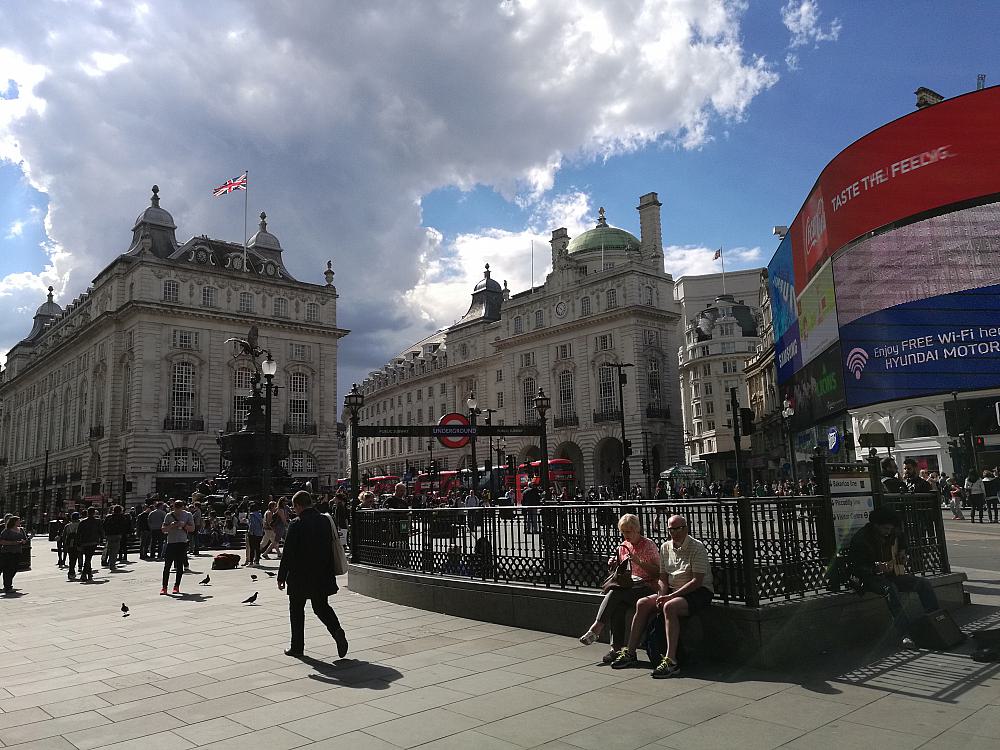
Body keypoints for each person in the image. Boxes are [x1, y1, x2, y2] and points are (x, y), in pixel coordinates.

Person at [611, 514, 714, 678]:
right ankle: (630, 652)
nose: (675, 532)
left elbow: (697, 581)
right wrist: (661, 594)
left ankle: (671, 660)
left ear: (686, 528)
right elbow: (663, 578)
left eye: (679, 528)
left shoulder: (696, 547)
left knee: (669, 607)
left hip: (698, 592)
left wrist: (670, 597)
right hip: (673, 590)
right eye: (671, 529)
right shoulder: (666, 547)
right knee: (643, 603)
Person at [847, 507, 939, 648]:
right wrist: (875, 569)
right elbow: (857, 568)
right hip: (869, 579)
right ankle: (906, 633)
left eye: (890, 529)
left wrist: (902, 550)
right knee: (891, 590)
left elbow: (900, 536)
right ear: (875, 525)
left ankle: (936, 621)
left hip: (891, 574)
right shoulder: (861, 540)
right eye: (885, 529)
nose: (888, 532)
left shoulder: (892, 533)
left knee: (923, 583)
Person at [579, 514, 660, 664]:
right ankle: (616, 649)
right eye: (623, 532)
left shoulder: (648, 545)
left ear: (636, 529)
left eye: (628, 532)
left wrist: (640, 562)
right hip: (631, 587)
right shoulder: (624, 545)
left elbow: (658, 572)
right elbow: (623, 568)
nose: (625, 535)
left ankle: (597, 628)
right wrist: (614, 562)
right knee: (618, 605)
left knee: (615, 593)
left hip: (648, 587)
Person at [278, 490, 349, 658]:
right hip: (322, 572)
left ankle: (297, 647)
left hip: (300, 575)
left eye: (294, 507)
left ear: (298, 506)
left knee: (296, 610)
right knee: (321, 607)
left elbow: (288, 553)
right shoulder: (325, 521)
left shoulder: (296, 523)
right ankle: (337, 631)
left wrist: (281, 576)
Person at [160, 499, 195, 595]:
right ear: (173, 507)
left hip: (182, 542)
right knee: (167, 566)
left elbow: (192, 529)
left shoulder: (188, 515)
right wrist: (171, 526)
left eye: (180, 508)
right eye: (176, 509)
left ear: (183, 507)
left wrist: (184, 525)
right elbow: (163, 529)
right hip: (171, 542)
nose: (178, 511)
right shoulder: (168, 516)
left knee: (180, 565)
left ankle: (176, 586)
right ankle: (164, 587)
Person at [0, 516, 28, 593]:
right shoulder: (7, 531)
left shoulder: (21, 530)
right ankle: (8, 586)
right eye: (18, 521)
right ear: (14, 522)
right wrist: (13, 543)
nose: (20, 522)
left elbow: (25, 539)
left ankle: (8, 583)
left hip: (17, 552)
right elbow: (1, 541)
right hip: (7, 552)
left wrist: (23, 541)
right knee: (7, 570)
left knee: (14, 569)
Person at [76, 507, 103, 582]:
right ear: (94, 513)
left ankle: (88, 574)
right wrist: (101, 539)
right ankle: (85, 574)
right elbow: (101, 531)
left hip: (84, 542)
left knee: (88, 557)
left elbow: (78, 533)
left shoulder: (82, 522)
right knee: (88, 558)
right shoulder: (97, 521)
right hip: (93, 541)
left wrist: (78, 543)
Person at [101, 505, 129, 571]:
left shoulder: (108, 517)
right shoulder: (122, 517)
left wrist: (105, 533)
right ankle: (112, 565)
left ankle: (109, 562)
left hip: (109, 535)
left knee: (110, 549)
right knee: (115, 550)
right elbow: (125, 527)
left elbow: (104, 525)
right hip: (117, 535)